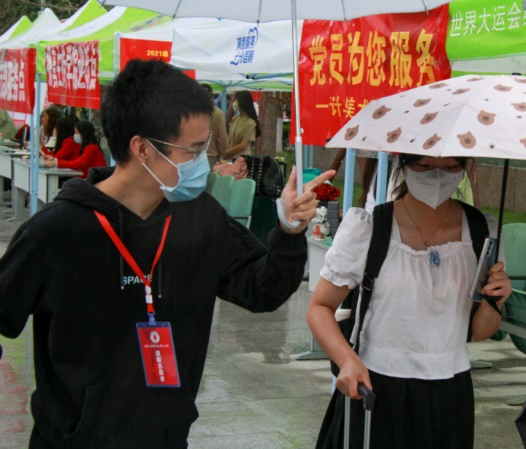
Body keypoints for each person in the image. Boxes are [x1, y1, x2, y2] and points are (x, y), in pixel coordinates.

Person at [0, 59, 334, 449]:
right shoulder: (56, 232)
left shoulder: (200, 217)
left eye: (205, 146)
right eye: (192, 150)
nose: (204, 162)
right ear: (142, 148)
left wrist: (289, 231)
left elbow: (262, 290)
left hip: (166, 437)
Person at [307, 154, 511, 449]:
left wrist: (496, 300)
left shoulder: (482, 232)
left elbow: (479, 332)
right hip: (376, 385)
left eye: (451, 167)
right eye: (424, 167)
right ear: (403, 164)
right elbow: (319, 307)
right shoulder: (370, 228)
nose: (437, 177)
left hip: (451, 392)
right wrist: (347, 361)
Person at [224, 90, 260, 159]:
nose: (234, 103)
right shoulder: (235, 119)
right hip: (231, 158)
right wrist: (227, 152)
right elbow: (229, 138)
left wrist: (227, 152)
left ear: (242, 102)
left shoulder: (250, 123)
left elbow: (243, 145)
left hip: (242, 159)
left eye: (236, 100)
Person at [200, 83, 228, 168]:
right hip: (211, 157)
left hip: (195, 156)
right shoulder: (217, 113)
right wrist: (222, 154)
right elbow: (222, 138)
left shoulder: (192, 113)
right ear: (212, 97)